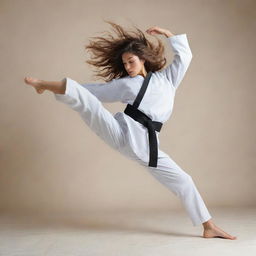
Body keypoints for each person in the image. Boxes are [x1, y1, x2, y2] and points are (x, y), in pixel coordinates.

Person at [24, 21, 237, 239]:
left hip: (147, 147)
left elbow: (185, 57)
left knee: (184, 180)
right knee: (90, 103)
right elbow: (93, 91)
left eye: (131, 61)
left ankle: (208, 226)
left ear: (143, 58)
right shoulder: (127, 84)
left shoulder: (167, 80)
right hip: (121, 132)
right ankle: (44, 85)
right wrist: (53, 87)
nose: (127, 67)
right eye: (124, 63)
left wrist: (167, 33)